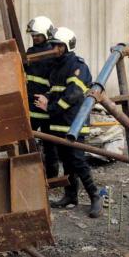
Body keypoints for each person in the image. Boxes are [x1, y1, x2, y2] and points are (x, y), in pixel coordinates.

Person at [34, 27, 103, 218]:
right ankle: (71, 196)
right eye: (53, 45)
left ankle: (95, 197)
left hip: (74, 123)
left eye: (57, 45)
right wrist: (47, 98)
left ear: (66, 46)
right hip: (60, 122)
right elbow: (56, 90)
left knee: (78, 161)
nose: (54, 48)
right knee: (67, 161)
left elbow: (72, 95)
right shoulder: (56, 66)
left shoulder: (77, 65)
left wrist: (50, 107)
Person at [24, 16, 60, 178]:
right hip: (31, 105)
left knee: (49, 143)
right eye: (33, 35)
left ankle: (51, 176)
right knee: (26, 142)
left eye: (37, 35)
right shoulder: (30, 52)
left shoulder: (52, 54)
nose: (34, 38)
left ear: (46, 34)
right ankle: (27, 174)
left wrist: (47, 97)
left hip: (45, 106)